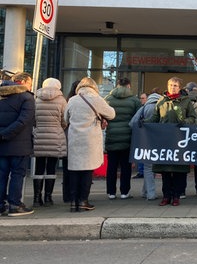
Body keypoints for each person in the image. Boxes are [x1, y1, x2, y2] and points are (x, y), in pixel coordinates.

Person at [65, 77, 116, 212]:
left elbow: (65, 118)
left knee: (75, 169)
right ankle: (83, 201)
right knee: (87, 170)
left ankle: (73, 202)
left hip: (75, 138)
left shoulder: (72, 100)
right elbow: (111, 114)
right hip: (90, 139)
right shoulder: (97, 99)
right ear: (94, 87)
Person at [146, 77, 197, 207]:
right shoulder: (161, 101)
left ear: (179, 87)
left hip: (180, 141)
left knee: (179, 170)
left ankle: (176, 196)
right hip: (165, 141)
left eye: (175, 85)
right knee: (165, 171)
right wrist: (145, 124)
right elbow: (155, 118)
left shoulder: (186, 102)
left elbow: (193, 118)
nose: (172, 87)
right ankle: (166, 196)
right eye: (170, 85)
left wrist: (185, 122)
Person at [0, 72, 35, 216]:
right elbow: (24, 121)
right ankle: (15, 205)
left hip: (1, 144)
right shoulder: (27, 97)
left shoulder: (2, 96)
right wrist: (6, 134)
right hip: (20, 144)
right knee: (17, 174)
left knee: (1, 175)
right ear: (25, 82)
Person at [33, 77, 68, 208]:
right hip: (55, 136)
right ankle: (48, 197)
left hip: (40, 135)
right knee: (51, 168)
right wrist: (59, 128)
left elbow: (33, 118)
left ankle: (37, 198)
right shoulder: (61, 100)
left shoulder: (36, 99)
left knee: (39, 167)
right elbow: (65, 119)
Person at [104, 77, 141, 200]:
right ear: (129, 86)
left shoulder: (108, 99)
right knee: (126, 167)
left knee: (112, 167)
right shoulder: (134, 101)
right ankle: (125, 192)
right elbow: (138, 118)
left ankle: (111, 192)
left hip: (112, 136)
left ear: (117, 85)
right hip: (127, 138)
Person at [129, 89, 161, 200]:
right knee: (151, 167)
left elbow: (133, 123)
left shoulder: (144, 108)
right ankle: (150, 194)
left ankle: (146, 192)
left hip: (145, 140)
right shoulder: (161, 107)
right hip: (158, 140)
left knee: (148, 166)